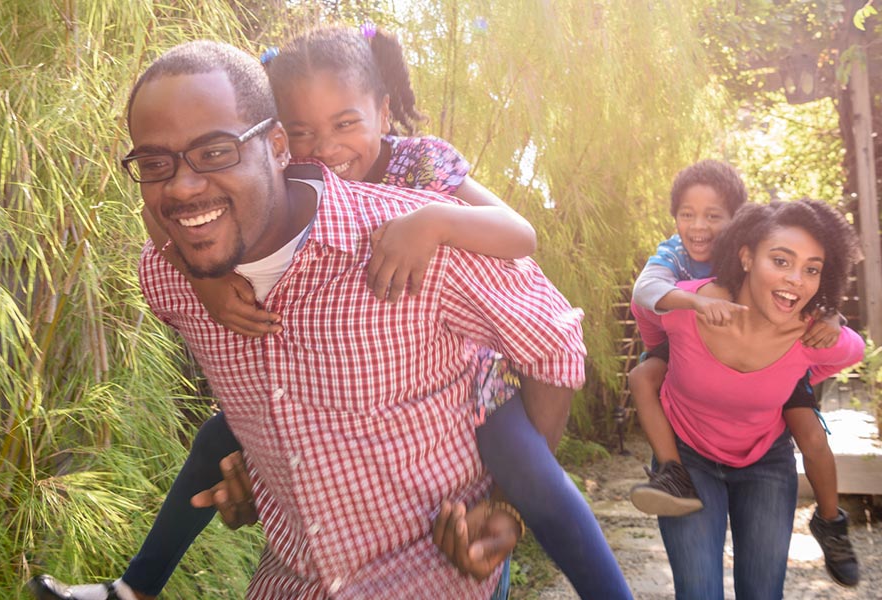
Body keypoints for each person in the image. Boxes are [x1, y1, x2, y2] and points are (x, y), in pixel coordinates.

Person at [30, 39, 588, 599]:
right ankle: (134, 587)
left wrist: (506, 506)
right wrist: (273, 470)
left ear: (272, 146)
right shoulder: (175, 279)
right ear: (287, 138)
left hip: (441, 559)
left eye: (216, 151)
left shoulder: (417, 224)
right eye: (155, 163)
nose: (182, 184)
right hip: (291, 582)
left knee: (542, 486)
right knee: (214, 442)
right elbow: (164, 238)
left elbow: (549, 330)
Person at [623, 161, 860, 587]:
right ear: (748, 255)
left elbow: (833, 327)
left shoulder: (788, 299)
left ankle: (830, 520)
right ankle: (672, 472)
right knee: (643, 378)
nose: (700, 227)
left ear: (736, 224)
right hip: (681, 355)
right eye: (687, 214)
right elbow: (645, 296)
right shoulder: (675, 259)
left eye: (714, 216)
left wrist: (830, 319)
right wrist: (691, 308)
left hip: (768, 432)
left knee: (810, 433)